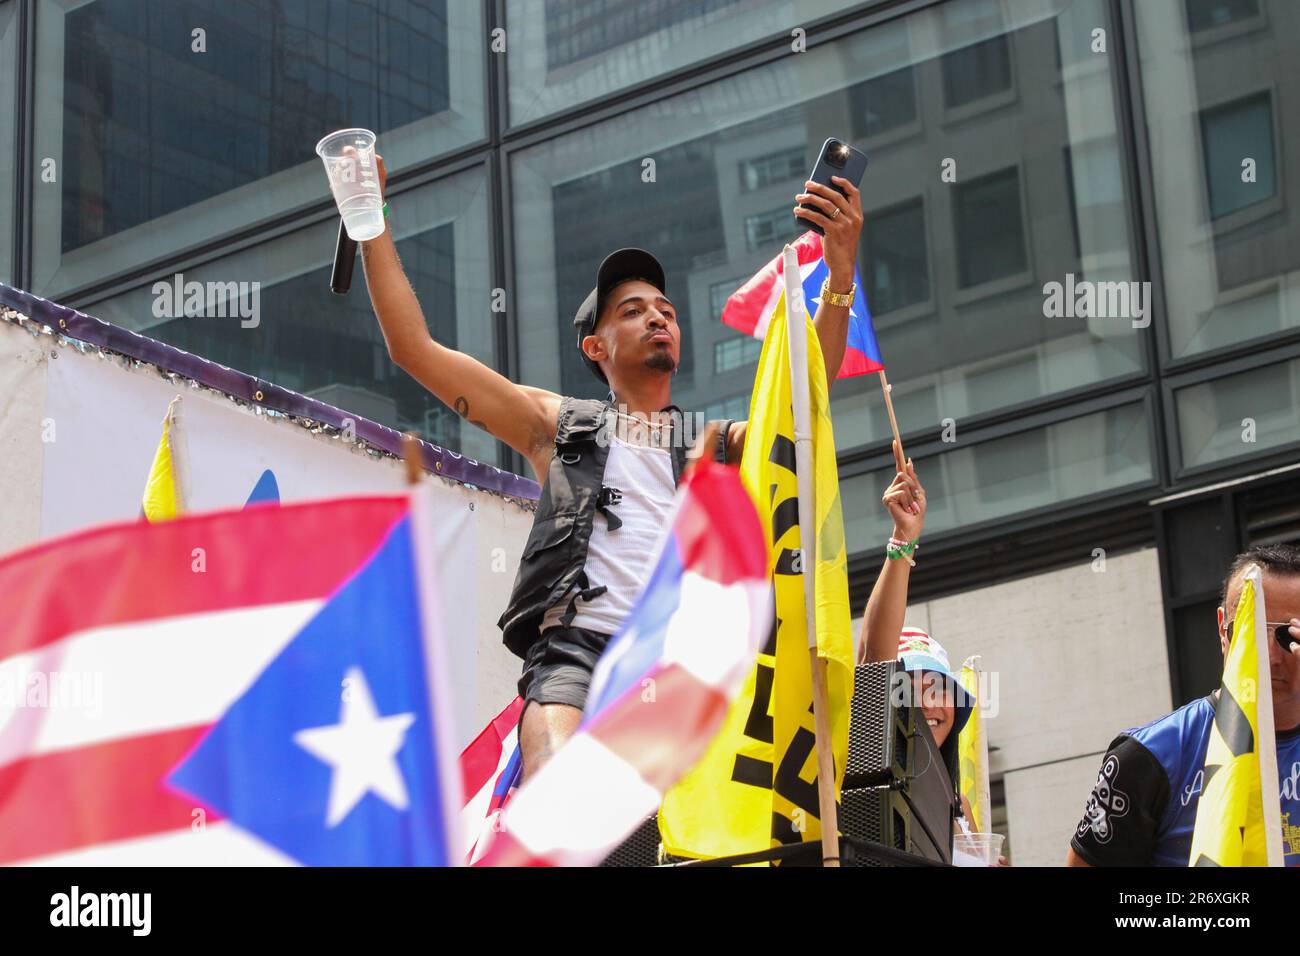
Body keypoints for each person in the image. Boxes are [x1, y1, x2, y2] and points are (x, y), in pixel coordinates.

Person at [359, 152, 864, 781]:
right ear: (595, 348)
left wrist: (838, 271)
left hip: (678, 665)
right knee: (555, 782)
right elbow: (415, 350)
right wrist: (367, 217)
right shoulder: (557, 425)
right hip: (577, 654)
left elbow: (799, 401)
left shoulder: (711, 448)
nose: (657, 316)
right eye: (632, 310)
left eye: (666, 310)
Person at [1067, 544, 1300, 866]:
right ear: (1222, 628)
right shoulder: (1151, 754)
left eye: (1289, 637)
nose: (1270, 658)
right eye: (1250, 633)